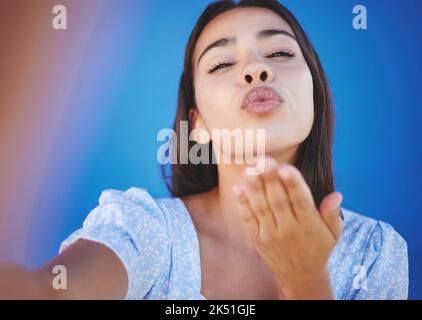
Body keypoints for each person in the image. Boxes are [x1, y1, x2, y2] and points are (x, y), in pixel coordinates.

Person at [0, 0, 408, 300]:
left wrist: (305, 281)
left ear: (315, 95)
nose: (255, 69)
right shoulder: (145, 231)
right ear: (198, 126)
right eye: (221, 64)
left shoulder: (376, 252)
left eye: (280, 53)